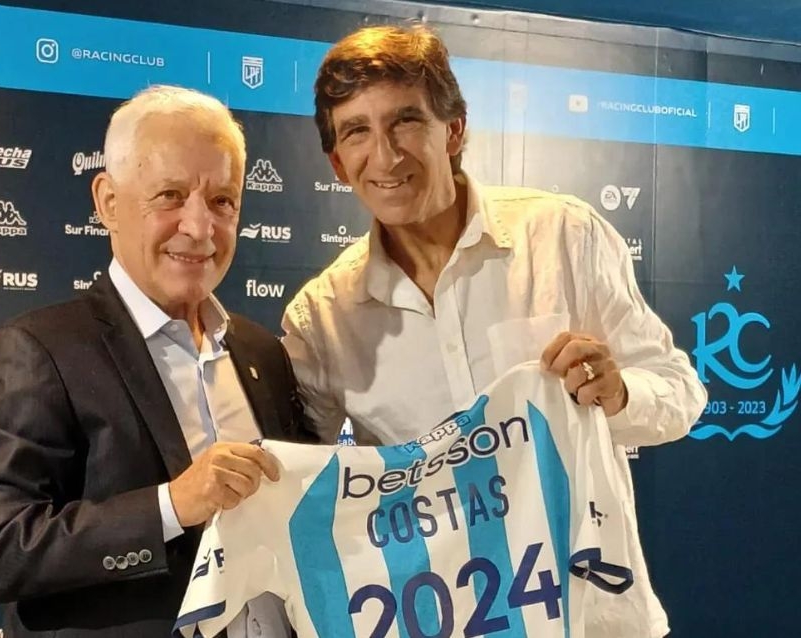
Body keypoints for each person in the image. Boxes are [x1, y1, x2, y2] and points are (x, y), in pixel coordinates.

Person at [281, 24, 707, 638]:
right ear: (337, 163)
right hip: (439, 620)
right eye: (357, 132)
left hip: (593, 619)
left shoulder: (564, 236)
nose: (386, 155)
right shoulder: (321, 317)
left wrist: (618, 394)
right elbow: (312, 493)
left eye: (406, 121)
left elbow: (681, 393)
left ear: (453, 130)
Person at [0, 85, 315, 638]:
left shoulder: (261, 352)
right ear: (108, 202)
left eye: (222, 201)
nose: (199, 227)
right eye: (170, 195)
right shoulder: (36, 349)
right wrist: (171, 506)